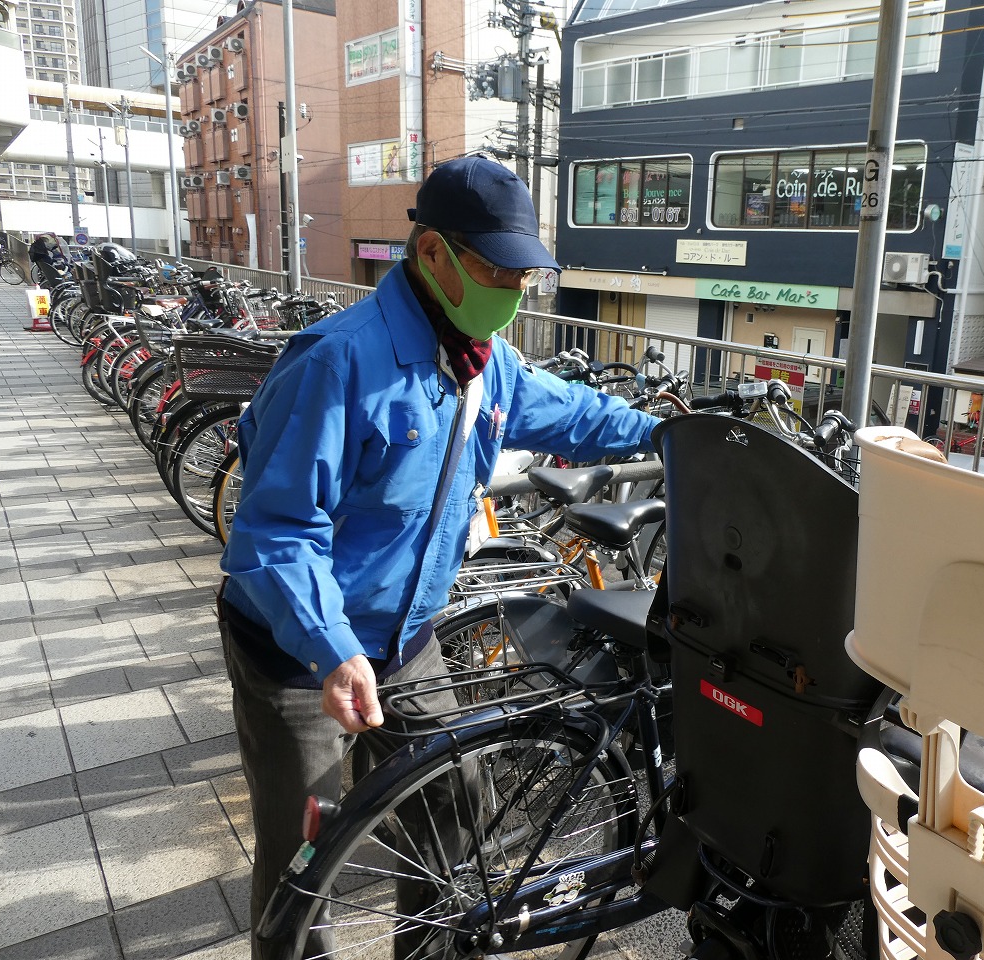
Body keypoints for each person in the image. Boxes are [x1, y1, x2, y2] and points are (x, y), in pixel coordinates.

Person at [217, 156, 660, 959]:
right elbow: (276, 532)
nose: (516, 291)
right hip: (298, 649)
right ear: (432, 256)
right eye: (498, 269)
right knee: (304, 856)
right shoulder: (336, 363)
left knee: (454, 813)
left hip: (407, 637)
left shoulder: (484, 361)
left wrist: (669, 433)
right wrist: (333, 648)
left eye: (526, 275)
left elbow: (575, 415)